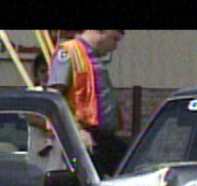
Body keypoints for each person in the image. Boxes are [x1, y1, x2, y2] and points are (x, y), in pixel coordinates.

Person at [47, 30, 128, 177]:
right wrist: (76, 131)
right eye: (114, 39)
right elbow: (54, 98)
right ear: (100, 32)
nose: (115, 47)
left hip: (102, 137)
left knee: (128, 168)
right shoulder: (69, 53)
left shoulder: (92, 57)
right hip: (85, 137)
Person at [25, 51, 66, 173]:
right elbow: (32, 118)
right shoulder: (33, 93)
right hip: (38, 162)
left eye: (51, 71)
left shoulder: (62, 96)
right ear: (36, 75)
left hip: (58, 163)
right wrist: (53, 126)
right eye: (43, 71)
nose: (47, 75)